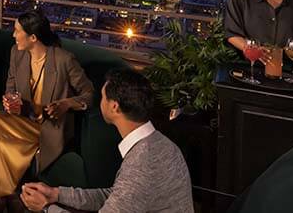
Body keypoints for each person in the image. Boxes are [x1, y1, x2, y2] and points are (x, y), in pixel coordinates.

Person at [0, 9, 94, 199]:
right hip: (23, 121)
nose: (13, 35)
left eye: (17, 31)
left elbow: (90, 94)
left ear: (33, 38)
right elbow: (10, 87)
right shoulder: (17, 53)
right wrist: (10, 103)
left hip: (48, 128)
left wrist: (67, 104)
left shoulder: (64, 60)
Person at [19, 69, 193, 213]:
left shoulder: (142, 162)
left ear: (114, 106)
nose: (99, 102)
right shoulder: (162, 144)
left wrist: (46, 207)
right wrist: (56, 194)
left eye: (102, 97)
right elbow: (115, 196)